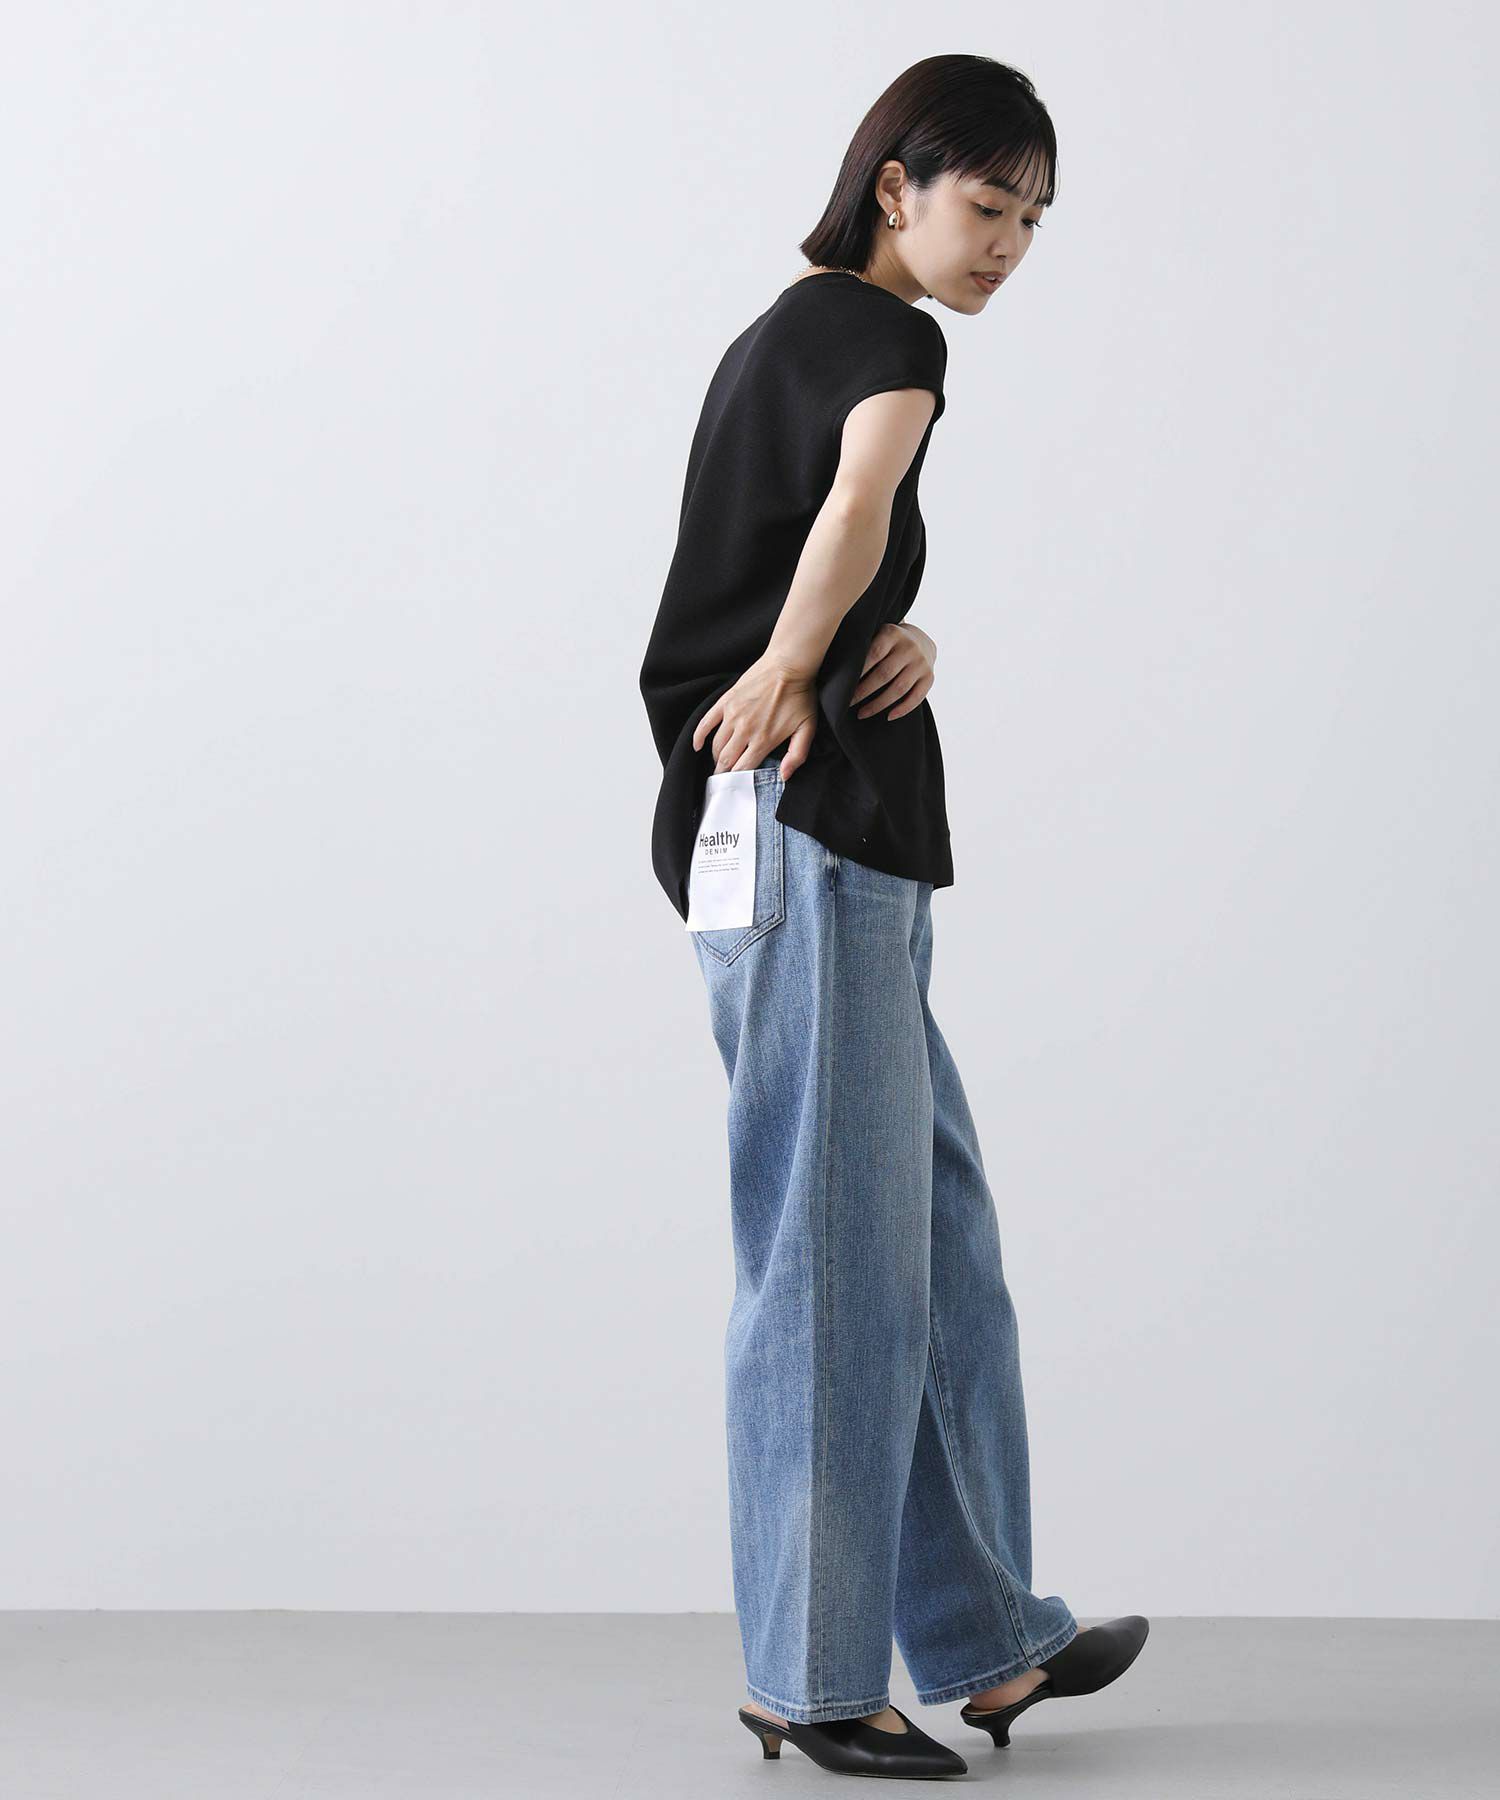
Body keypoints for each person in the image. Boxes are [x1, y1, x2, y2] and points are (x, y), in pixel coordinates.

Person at [639, 54, 1148, 1782]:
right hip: (806, 835)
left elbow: (817, 543)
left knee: (929, 1238)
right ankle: (810, 1672)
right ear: (894, 190)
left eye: (1034, 219)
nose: (1007, 244)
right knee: (834, 1262)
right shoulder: (888, 341)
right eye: (986, 204)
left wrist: (876, 639)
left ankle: (987, 1633)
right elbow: (850, 509)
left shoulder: (787, 339)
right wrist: (800, 661)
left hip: (827, 837)